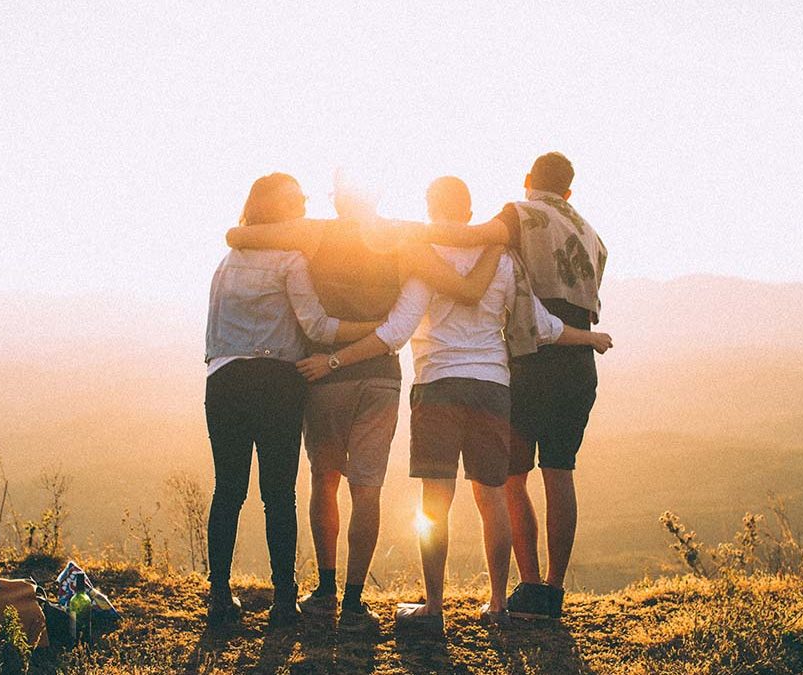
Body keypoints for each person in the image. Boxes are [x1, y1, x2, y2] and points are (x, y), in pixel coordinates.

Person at [297, 176, 612, 631]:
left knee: (435, 503)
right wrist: (590, 338)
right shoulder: (503, 259)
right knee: (492, 499)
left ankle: (434, 607)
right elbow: (541, 325)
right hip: (493, 388)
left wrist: (334, 360)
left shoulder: (425, 257)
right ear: (469, 213)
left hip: (438, 386)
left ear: (431, 208)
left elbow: (397, 331)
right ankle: (499, 604)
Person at [225, 173, 502, 630]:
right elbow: (456, 274)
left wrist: (237, 232)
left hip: (324, 376)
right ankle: (354, 603)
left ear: (338, 199)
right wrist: (497, 239)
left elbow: (242, 235)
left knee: (324, 480)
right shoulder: (402, 236)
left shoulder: (315, 232)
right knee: (367, 488)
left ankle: (325, 590)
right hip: (381, 377)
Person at [422, 152, 609, 620]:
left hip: (530, 356)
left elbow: (469, 237)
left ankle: (525, 586)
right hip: (578, 359)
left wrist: (406, 234)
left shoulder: (519, 213)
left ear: (529, 180)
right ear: (569, 191)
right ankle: (553, 590)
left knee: (512, 476)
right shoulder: (591, 234)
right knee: (561, 472)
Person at [204, 173, 380, 628]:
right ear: (279, 210)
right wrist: (374, 330)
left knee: (228, 490)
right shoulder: (291, 259)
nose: (304, 204)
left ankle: (219, 597)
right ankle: (284, 601)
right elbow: (318, 328)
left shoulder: (228, 260)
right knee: (278, 495)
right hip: (277, 382)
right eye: (296, 199)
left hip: (223, 380)